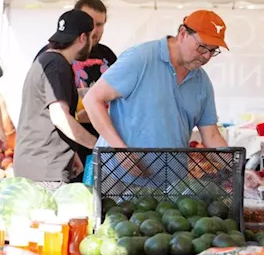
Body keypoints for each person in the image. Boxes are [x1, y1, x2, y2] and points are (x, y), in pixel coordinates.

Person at [83, 9, 229, 151]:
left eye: (213, 50)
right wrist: (121, 152)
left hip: (170, 174)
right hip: (118, 173)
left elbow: (211, 135)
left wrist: (237, 169)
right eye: (202, 47)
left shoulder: (202, 82)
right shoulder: (141, 58)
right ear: (183, 34)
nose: (207, 56)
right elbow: (92, 100)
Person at [34, 0, 117, 179]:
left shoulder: (108, 56)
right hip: (65, 149)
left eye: (100, 24)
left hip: (99, 144)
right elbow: (53, 112)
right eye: (90, 22)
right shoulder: (54, 57)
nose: (94, 30)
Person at [13, 10, 97, 190]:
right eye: (92, 37)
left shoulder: (45, 60)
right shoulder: (58, 65)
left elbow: (42, 114)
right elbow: (59, 117)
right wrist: (96, 145)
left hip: (34, 164)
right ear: (83, 38)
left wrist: (70, 152)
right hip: (46, 170)